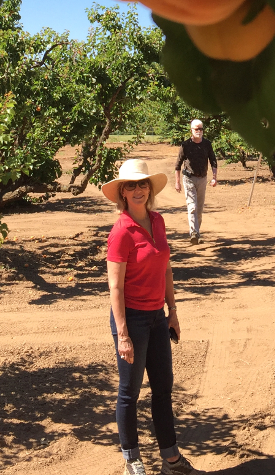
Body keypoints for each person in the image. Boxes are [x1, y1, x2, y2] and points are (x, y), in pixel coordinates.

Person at [103, 158, 202, 475]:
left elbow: (166, 270)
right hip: (131, 319)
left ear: (149, 189)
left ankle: (171, 459)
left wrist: (172, 311)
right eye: (130, 185)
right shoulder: (121, 232)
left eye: (141, 184)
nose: (137, 190)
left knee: (162, 388)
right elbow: (115, 288)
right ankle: (132, 459)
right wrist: (123, 334)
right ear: (122, 192)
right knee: (129, 392)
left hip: (158, 318)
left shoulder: (157, 222)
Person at [174, 119, 217, 245]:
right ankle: (194, 233)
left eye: (201, 129)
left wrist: (214, 177)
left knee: (199, 209)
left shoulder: (207, 144)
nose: (199, 131)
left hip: (202, 179)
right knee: (192, 206)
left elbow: (213, 161)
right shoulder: (185, 145)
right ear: (191, 130)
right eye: (196, 129)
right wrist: (177, 182)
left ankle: (197, 231)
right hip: (189, 178)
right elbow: (178, 165)